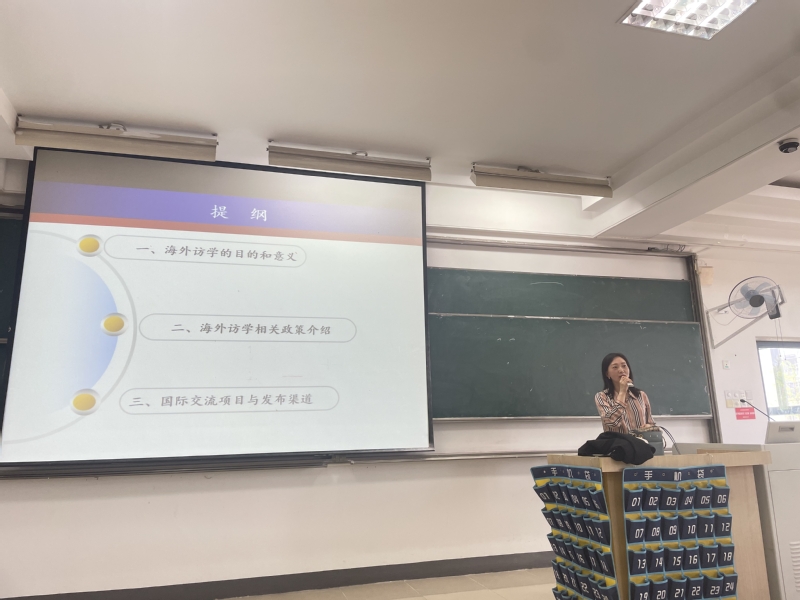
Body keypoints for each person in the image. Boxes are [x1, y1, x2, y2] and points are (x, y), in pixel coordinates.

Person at [594, 352, 656, 434]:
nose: (621, 370)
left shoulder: (641, 395)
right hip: (617, 441)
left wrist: (650, 427)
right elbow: (612, 422)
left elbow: (651, 423)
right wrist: (622, 392)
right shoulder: (602, 396)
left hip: (640, 441)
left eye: (624, 366)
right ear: (607, 374)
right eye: (615, 367)